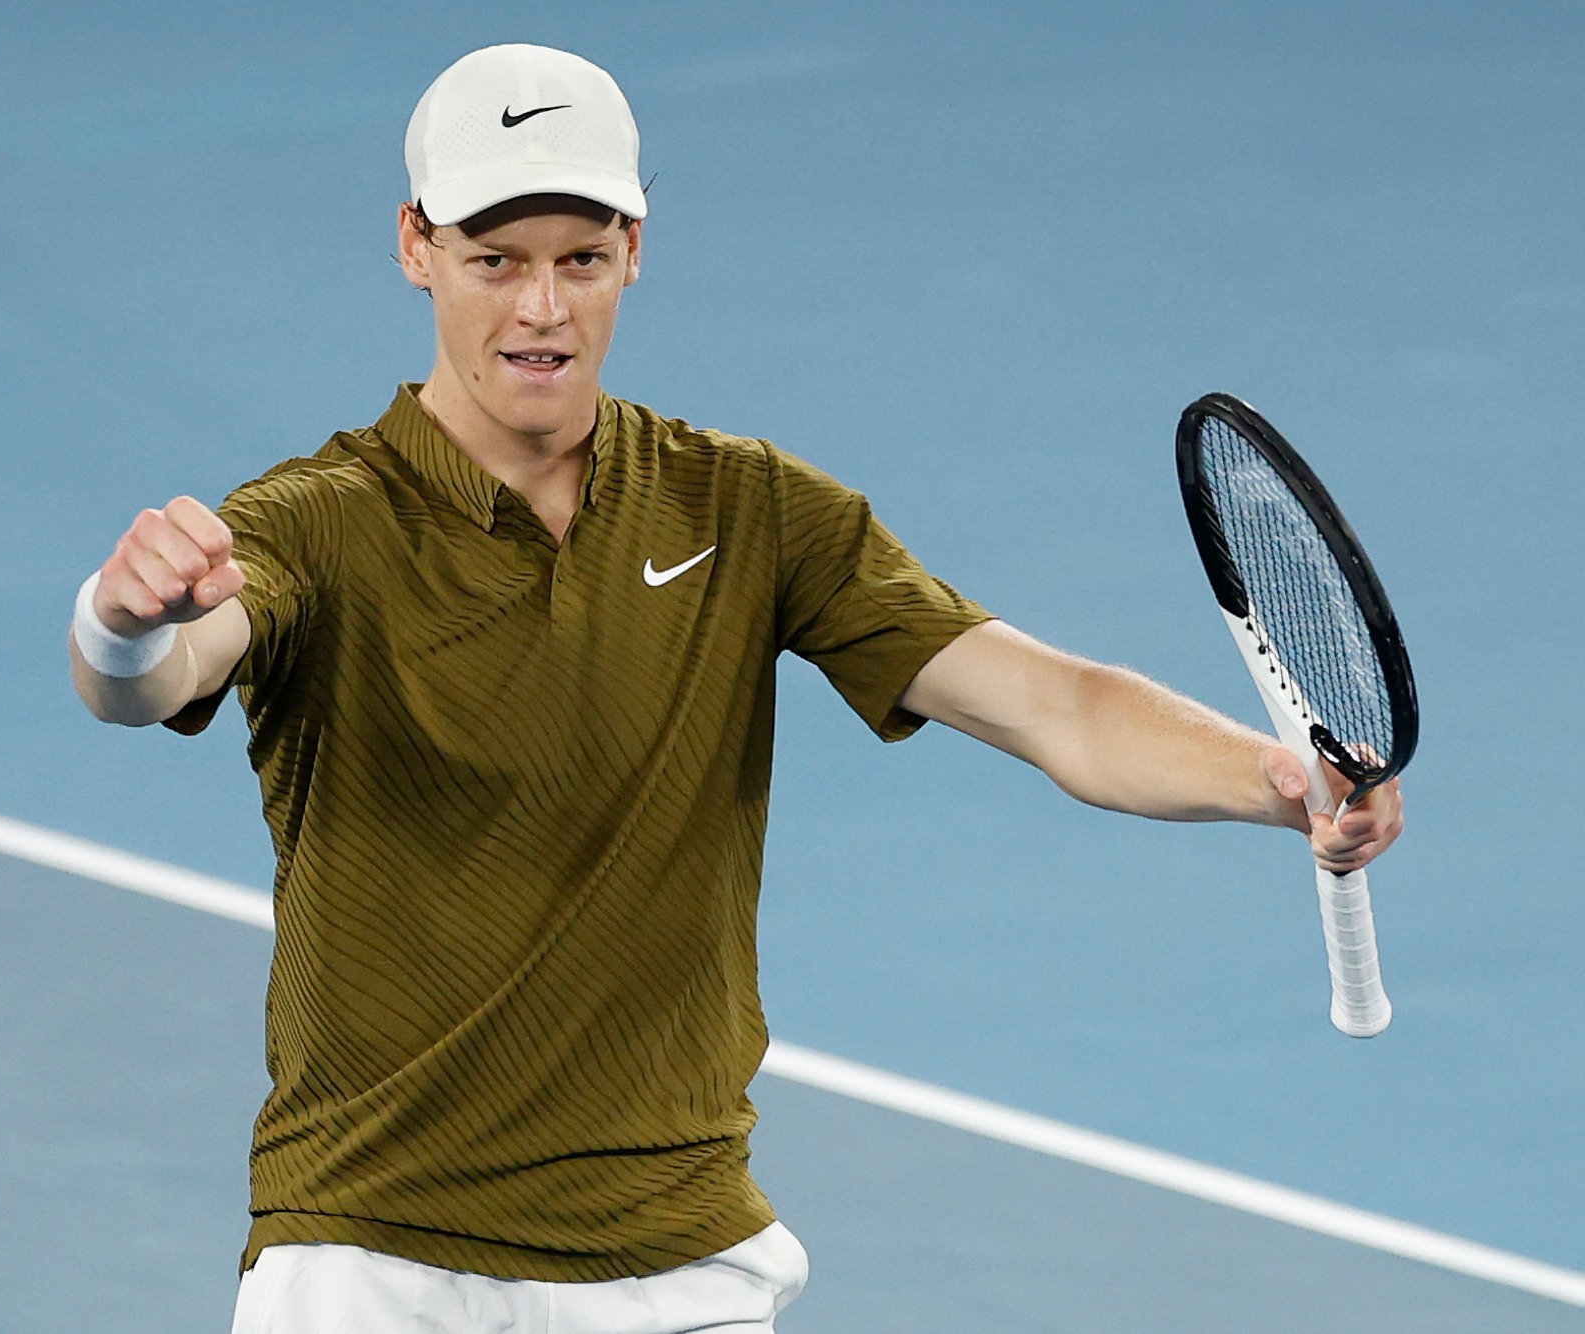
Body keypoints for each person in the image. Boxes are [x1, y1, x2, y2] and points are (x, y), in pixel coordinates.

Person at [69, 43, 1403, 1334]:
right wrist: (123, 623)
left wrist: (1278, 780)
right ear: (416, 246)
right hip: (374, 1258)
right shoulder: (314, 522)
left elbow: (1056, 705)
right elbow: (154, 676)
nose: (542, 309)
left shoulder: (748, 508)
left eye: (581, 259)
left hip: (676, 1256)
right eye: (496, 261)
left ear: (634, 252)